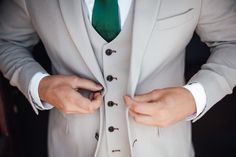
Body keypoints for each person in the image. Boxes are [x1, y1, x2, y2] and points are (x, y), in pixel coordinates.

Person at [0, 0, 236, 157]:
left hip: (166, 148)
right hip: (71, 148)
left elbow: (231, 41)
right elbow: (6, 40)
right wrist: (39, 84)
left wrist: (195, 97)